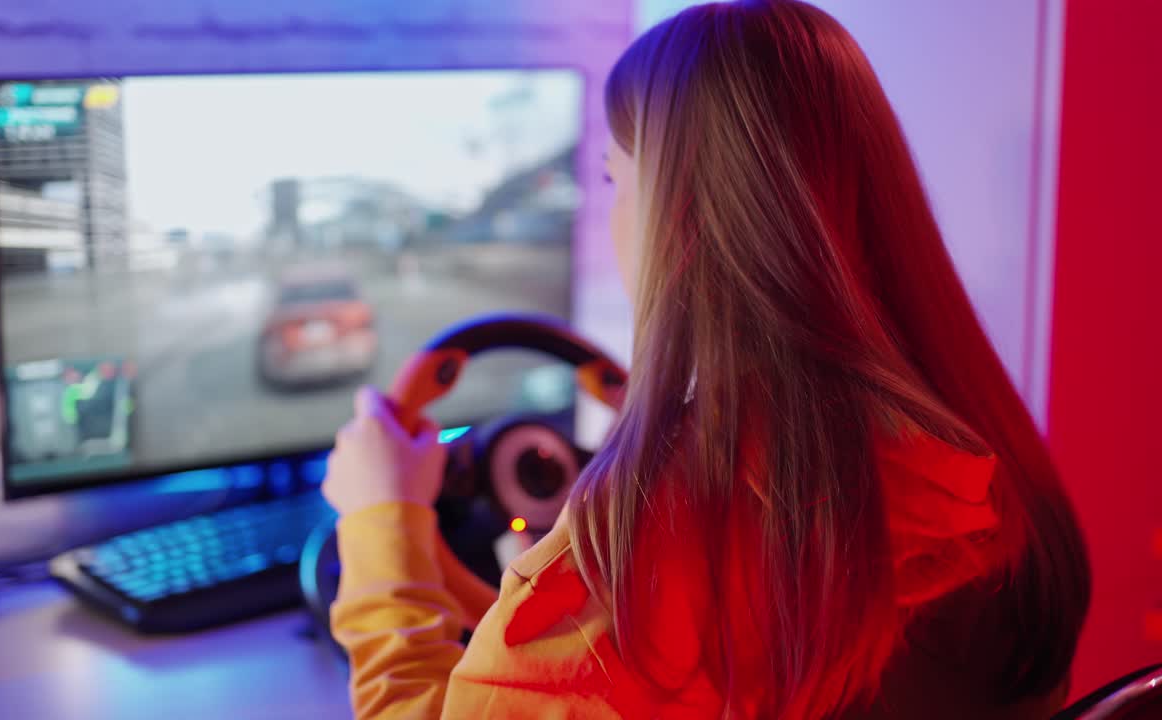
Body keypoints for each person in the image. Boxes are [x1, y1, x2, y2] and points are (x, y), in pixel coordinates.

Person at [321, 1, 1090, 717]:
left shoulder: (621, 582)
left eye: (615, 177)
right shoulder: (983, 480)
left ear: (677, 215)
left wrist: (382, 521)